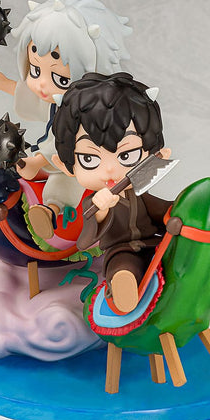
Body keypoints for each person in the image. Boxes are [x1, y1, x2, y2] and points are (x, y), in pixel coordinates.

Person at [0, 0, 131, 239]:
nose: (42, 84)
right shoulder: (58, 100)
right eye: (35, 70)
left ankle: (50, 211)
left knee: (63, 183)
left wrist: (40, 161)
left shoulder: (91, 113)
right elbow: (36, 102)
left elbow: (67, 143)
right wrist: (5, 84)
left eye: (61, 78)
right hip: (49, 155)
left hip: (81, 162)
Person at [51, 72, 173, 313]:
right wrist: (100, 210)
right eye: (89, 159)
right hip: (122, 250)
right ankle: (121, 289)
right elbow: (85, 242)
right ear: (65, 165)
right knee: (123, 267)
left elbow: (161, 209)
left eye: (126, 155)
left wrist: (183, 208)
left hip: (157, 242)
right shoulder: (93, 203)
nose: (110, 169)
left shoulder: (138, 191)